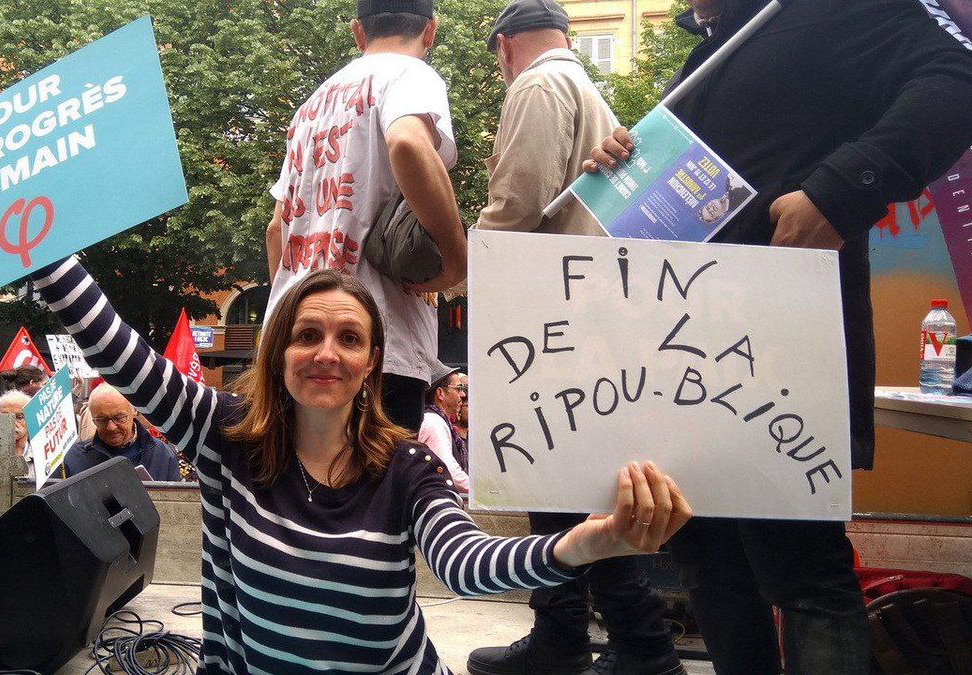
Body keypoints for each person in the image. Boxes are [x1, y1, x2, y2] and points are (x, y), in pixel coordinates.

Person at [17, 253, 691, 673]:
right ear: (279, 354)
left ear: (372, 363)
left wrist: (585, 542)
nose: (327, 352)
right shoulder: (221, 433)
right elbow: (119, 352)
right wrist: (37, 238)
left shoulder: (405, 466)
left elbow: (465, 562)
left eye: (349, 338)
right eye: (306, 335)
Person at [583, 1, 972, 673]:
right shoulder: (715, 48)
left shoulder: (831, 9)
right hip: (683, 352)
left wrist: (840, 189)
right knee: (708, 561)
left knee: (800, 569)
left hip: (783, 344)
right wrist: (625, 164)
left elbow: (956, 80)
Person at [469, 2, 685, 673]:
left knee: (559, 481)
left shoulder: (535, 86)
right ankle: (596, 640)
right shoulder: (587, 88)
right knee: (573, 486)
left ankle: (629, 646)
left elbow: (519, 202)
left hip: (552, 310)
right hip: (591, 309)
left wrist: (460, 269)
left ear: (504, 49)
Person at [263, 0, 468, 432]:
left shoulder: (309, 108)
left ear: (359, 33)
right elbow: (408, 143)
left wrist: (289, 322)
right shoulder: (412, 74)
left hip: (294, 346)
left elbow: (275, 231)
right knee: (380, 493)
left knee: (305, 493)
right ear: (430, 32)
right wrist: (456, 260)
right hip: (374, 346)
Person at [59, 384, 180, 481]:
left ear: (134, 412)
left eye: (119, 418)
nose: (111, 427)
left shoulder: (163, 454)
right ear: (92, 419)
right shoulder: (73, 458)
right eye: (102, 420)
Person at [416, 362, 469, 493]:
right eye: (458, 389)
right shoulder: (433, 423)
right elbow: (450, 472)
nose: (462, 395)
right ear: (440, 393)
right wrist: (482, 493)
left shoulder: (434, 420)